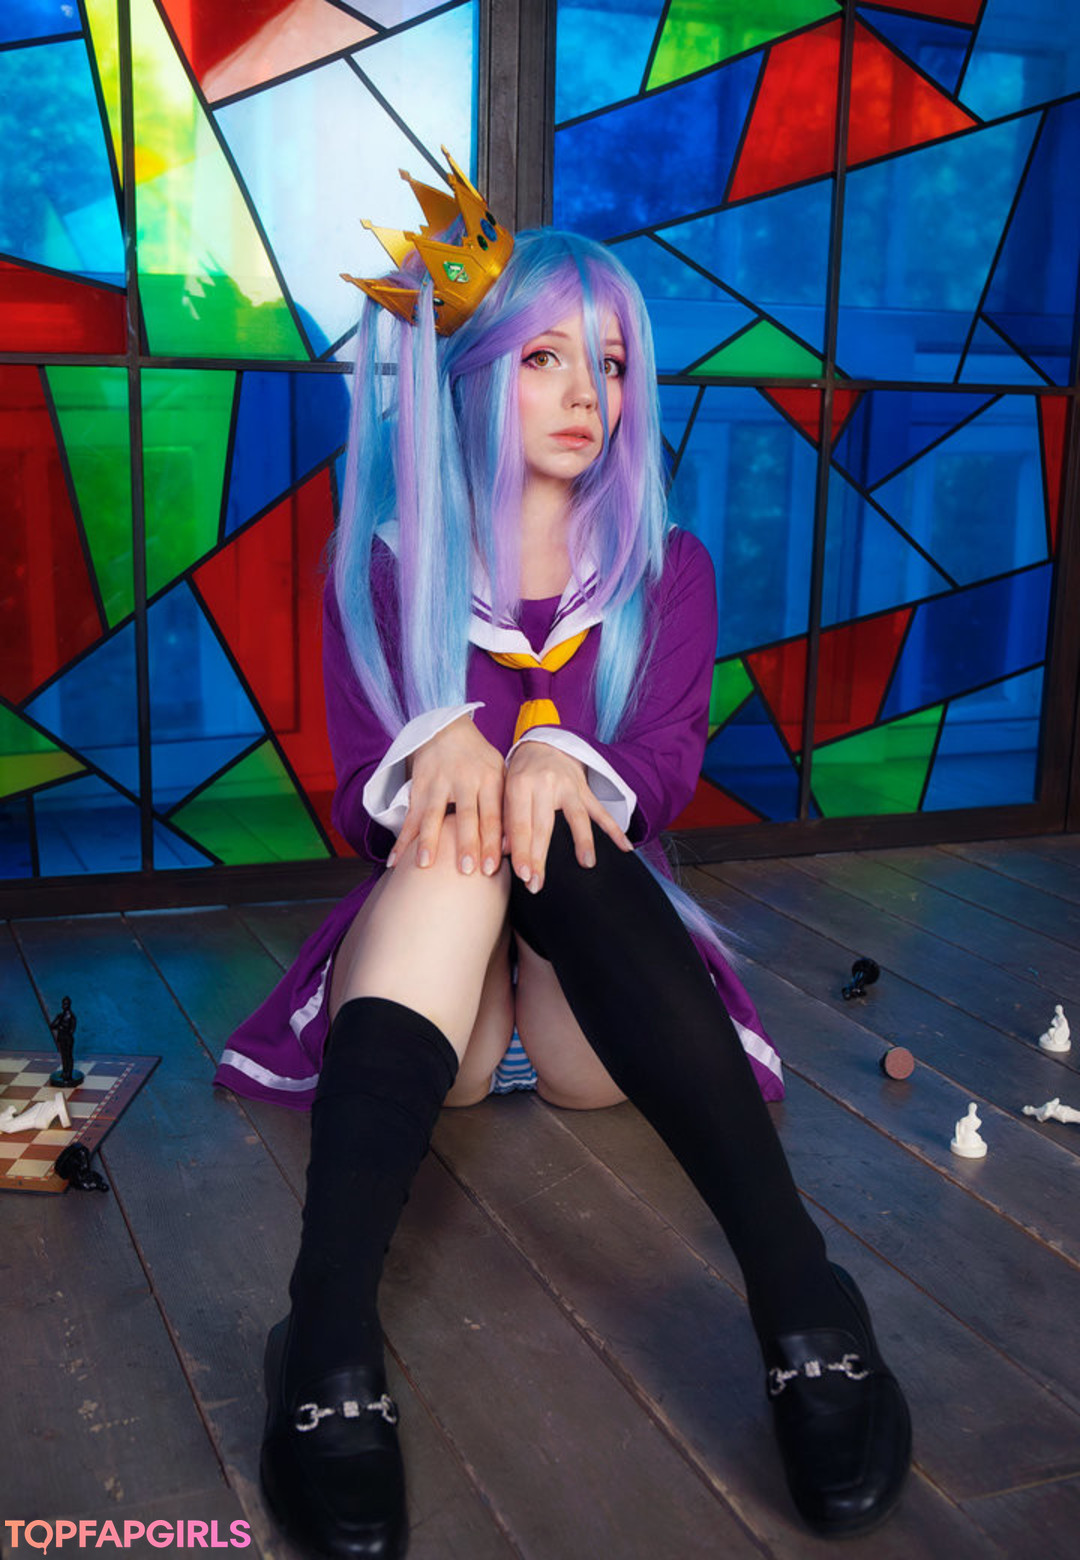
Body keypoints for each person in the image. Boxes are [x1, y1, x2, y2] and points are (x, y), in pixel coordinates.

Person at [214, 153, 911, 1558]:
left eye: (611, 362)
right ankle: (325, 1332)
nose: (588, 391)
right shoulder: (388, 563)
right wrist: (439, 749)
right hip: (444, 1000)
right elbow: (355, 801)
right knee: (460, 831)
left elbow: (665, 768)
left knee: (568, 811)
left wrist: (558, 755)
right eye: (546, 357)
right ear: (478, 376)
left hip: (603, 1007)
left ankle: (801, 1291)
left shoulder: (667, 571)